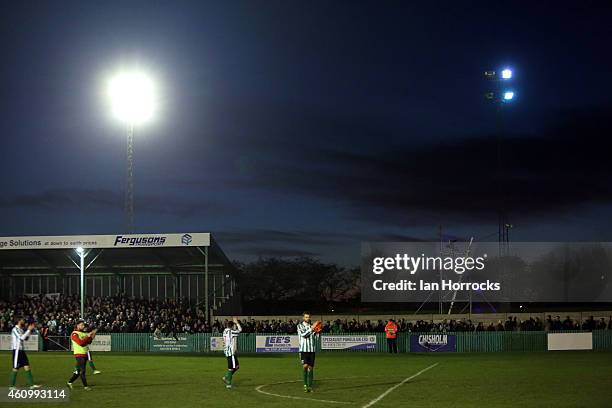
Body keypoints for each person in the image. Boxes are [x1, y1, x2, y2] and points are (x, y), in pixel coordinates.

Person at [8, 318, 40, 390]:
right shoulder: (14, 329)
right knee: (15, 368)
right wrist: (28, 330)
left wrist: (30, 330)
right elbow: (21, 338)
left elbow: (26, 338)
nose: (23, 321)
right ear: (18, 321)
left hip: (22, 351)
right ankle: (11, 386)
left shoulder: (21, 329)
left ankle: (32, 385)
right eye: (22, 320)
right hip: (17, 351)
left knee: (27, 366)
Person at [67, 320, 96, 391]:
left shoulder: (82, 333)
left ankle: (69, 382)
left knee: (77, 371)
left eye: (83, 325)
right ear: (77, 325)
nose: (83, 326)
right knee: (82, 371)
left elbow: (89, 342)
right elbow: (80, 343)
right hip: (79, 354)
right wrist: (87, 336)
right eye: (81, 325)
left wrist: (91, 336)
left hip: (84, 354)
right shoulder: (74, 334)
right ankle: (85, 387)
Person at [297, 312, 318, 393]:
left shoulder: (312, 326)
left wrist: (318, 332)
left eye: (309, 317)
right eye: (306, 317)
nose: (307, 318)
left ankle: (310, 386)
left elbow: (316, 338)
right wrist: (312, 328)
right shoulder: (300, 326)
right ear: (303, 318)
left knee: (311, 368)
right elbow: (304, 334)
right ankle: (305, 385)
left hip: (312, 349)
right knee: (305, 366)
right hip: (303, 350)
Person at [222, 317, 242, 389]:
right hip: (230, 352)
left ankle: (226, 377)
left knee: (237, 366)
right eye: (233, 326)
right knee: (231, 368)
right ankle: (229, 384)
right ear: (232, 326)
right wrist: (237, 323)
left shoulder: (225, 331)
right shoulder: (231, 332)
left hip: (227, 351)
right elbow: (240, 330)